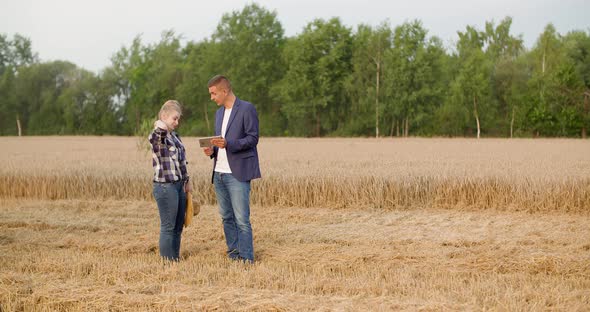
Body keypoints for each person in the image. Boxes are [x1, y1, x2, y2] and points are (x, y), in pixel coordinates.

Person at [203, 75, 261, 263]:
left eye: (213, 93)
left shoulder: (246, 109)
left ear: (224, 91)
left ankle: (246, 258)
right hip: (219, 173)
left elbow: (253, 139)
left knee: (242, 219)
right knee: (227, 217)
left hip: (238, 173)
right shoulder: (219, 114)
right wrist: (212, 150)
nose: (212, 98)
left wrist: (229, 143)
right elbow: (221, 144)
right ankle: (233, 255)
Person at [149, 100, 192, 262]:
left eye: (178, 119)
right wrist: (161, 123)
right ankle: (167, 262)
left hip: (179, 186)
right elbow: (159, 134)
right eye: (174, 118)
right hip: (165, 187)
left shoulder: (175, 136)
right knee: (168, 227)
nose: (177, 122)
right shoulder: (157, 136)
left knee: (178, 227)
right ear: (164, 116)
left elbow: (182, 162)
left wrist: (187, 182)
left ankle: (175, 258)